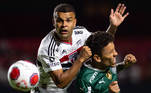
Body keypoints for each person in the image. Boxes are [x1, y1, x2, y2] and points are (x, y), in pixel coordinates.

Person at [31, 3, 130, 93]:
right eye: (60, 21)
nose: (64, 25)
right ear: (54, 22)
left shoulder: (81, 32)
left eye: (68, 20)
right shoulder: (47, 48)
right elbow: (61, 83)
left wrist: (113, 26)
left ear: (74, 22)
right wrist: (80, 59)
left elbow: (101, 45)